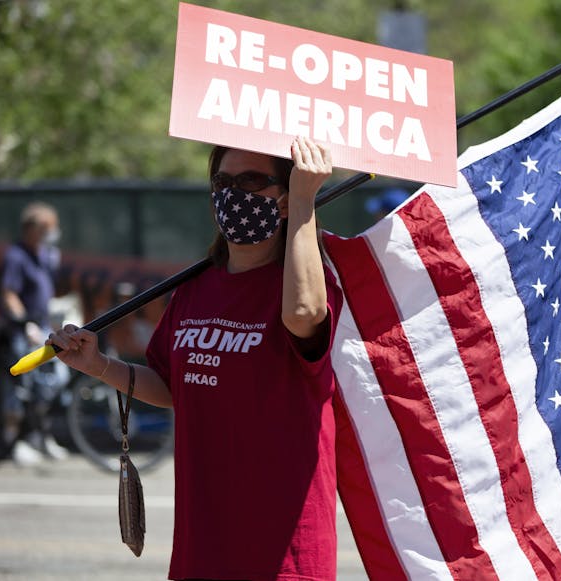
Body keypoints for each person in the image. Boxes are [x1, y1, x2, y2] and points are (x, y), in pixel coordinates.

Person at [47, 136, 344, 581]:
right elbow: (172, 386)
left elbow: (303, 314)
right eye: (221, 181)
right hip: (203, 542)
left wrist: (305, 199)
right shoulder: (194, 288)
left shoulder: (307, 288)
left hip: (284, 550)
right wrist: (98, 366)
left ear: (282, 199)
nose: (232, 193)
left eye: (250, 180)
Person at [0, 201, 70, 465]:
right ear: (31, 229)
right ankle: (13, 441)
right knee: (20, 388)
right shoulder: (16, 256)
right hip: (23, 333)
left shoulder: (46, 255)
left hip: (44, 330)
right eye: (46, 228)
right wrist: (24, 323)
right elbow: (8, 294)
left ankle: (40, 436)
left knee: (52, 384)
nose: (52, 233)